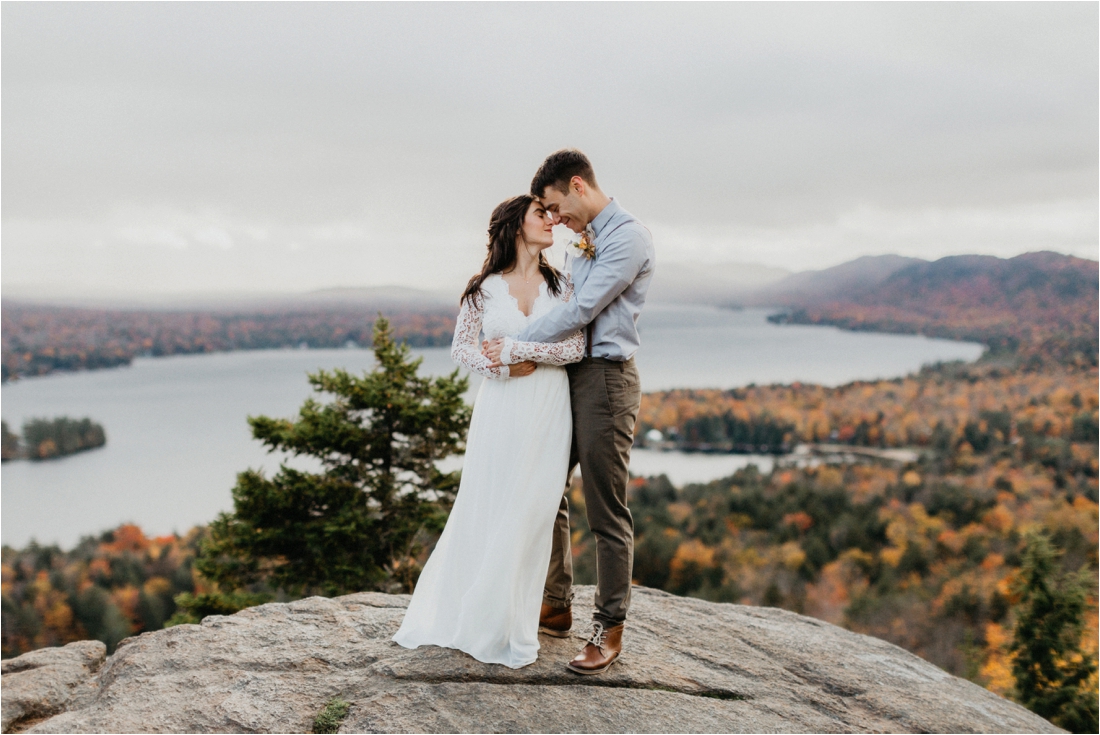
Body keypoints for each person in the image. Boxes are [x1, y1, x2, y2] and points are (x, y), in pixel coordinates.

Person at [392, 194, 585, 669]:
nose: (552, 221)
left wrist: (525, 351)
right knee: (491, 501)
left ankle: (518, 615)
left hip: (547, 406)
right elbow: (463, 350)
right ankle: (483, 613)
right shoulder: (484, 290)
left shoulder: (561, 285)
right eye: (542, 214)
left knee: (535, 505)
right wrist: (500, 370)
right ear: (517, 225)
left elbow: (577, 346)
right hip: (500, 407)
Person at [483, 148, 655, 675]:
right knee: (545, 485)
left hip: (605, 379)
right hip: (567, 374)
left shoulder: (628, 237)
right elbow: (566, 307)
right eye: (548, 214)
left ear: (579, 186)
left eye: (558, 207)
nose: (557, 221)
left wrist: (515, 343)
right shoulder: (586, 239)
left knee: (605, 508)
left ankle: (609, 627)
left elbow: (582, 308)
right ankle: (555, 603)